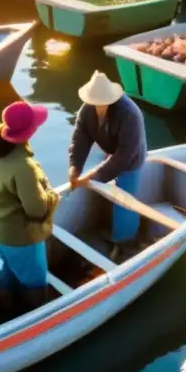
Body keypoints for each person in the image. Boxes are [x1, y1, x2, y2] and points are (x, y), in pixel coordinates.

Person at [0, 101, 58, 313]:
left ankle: (5, 310)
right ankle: (35, 318)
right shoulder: (24, 168)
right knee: (35, 283)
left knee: (9, 270)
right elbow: (37, 210)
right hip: (19, 237)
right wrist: (52, 195)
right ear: (29, 132)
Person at [68, 71, 147, 258]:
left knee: (124, 200)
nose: (97, 105)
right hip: (111, 149)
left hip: (131, 157)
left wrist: (95, 176)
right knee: (105, 187)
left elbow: (125, 154)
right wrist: (75, 167)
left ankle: (127, 243)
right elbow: (80, 138)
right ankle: (110, 229)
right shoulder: (86, 110)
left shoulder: (129, 115)